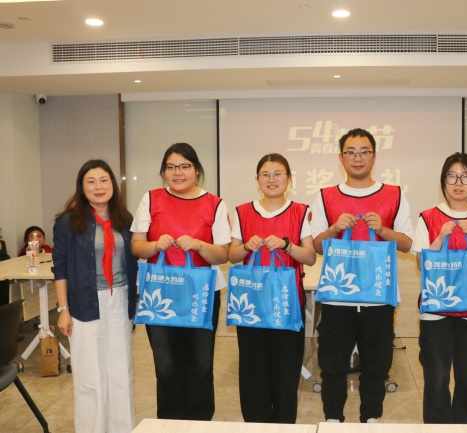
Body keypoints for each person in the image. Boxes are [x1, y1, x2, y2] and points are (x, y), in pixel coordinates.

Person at [310, 128, 414, 423]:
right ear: (341, 157)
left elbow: (408, 243)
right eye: (351, 152)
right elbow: (316, 247)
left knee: (377, 366)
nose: (358, 158)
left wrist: (383, 230)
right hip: (337, 298)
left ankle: (371, 420)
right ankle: (333, 420)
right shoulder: (325, 196)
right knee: (332, 365)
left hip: (379, 297)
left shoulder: (394, 194)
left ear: (374, 156)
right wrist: (333, 229)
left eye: (364, 151)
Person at [131, 142, 230, 420]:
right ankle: (169, 422)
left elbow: (222, 254)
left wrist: (199, 245)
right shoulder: (150, 199)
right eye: (171, 167)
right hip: (159, 293)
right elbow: (136, 246)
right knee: (166, 366)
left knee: (200, 364)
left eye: (185, 166)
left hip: (201, 293)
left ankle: (200, 422)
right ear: (163, 171)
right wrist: (154, 246)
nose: (178, 173)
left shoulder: (215, 204)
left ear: (196, 170)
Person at [228, 153, 316, 423]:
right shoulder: (243, 211)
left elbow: (310, 257)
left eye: (278, 174)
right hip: (251, 306)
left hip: (287, 305)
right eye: (265, 174)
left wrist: (287, 246)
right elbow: (231, 255)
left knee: (286, 373)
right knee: (253, 372)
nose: (272, 179)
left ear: (289, 179)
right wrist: (246, 246)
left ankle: (284, 425)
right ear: (257, 180)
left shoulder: (300, 211)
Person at [411, 152, 467, 424]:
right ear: (443, 181)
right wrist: (439, 237)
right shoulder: (428, 217)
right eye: (452, 176)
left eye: (465, 176)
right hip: (435, 311)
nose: (458, 183)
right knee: (436, 379)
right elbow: (421, 263)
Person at [52, 160, 138, 433]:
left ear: (113, 184)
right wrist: (63, 309)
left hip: (120, 301)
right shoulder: (68, 222)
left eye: (104, 180)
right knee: (90, 374)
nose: (98, 187)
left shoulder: (125, 219)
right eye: (91, 181)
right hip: (85, 303)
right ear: (82, 187)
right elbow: (60, 268)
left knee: (120, 372)